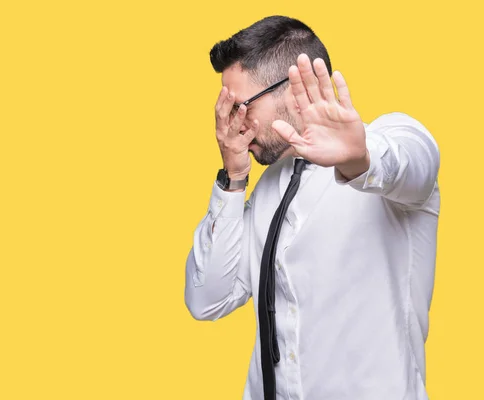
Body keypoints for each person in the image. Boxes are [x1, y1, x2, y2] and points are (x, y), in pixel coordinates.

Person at [184, 15, 440, 400]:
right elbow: (206, 301)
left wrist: (360, 158)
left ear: (292, 90)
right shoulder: (267, 191)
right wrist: (234, 177)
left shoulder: (387, 146)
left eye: (242, 107)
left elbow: (415, 161)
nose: (235, 126)